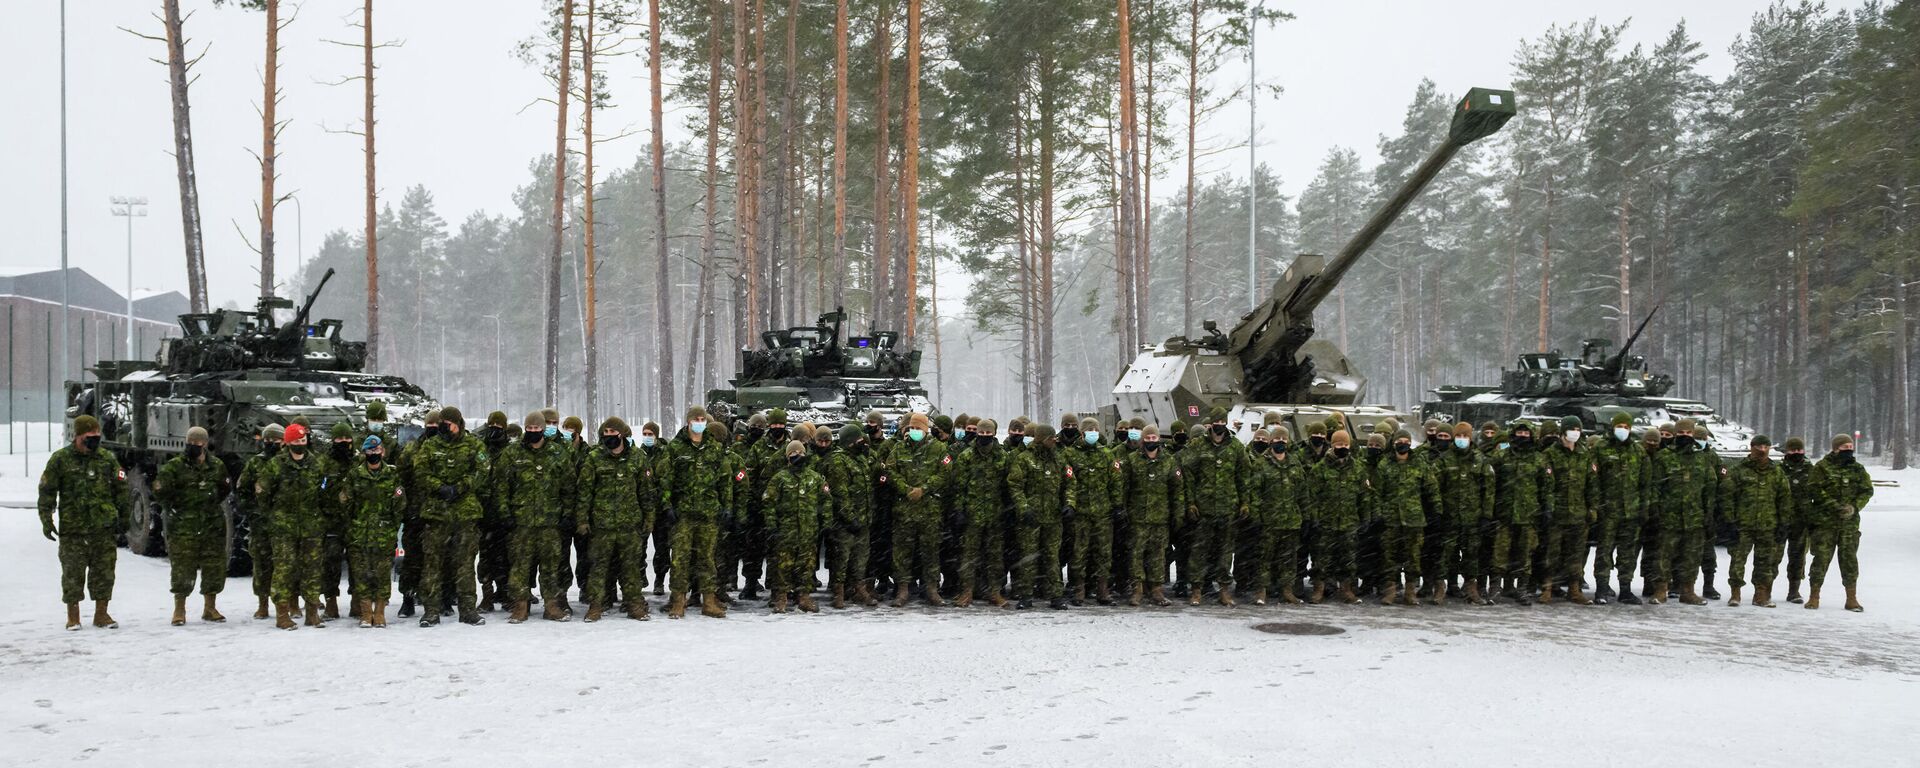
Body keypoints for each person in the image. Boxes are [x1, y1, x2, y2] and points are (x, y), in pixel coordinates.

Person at [39, 415, 130, 630]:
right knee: (72, 574)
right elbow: (47, 491)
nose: (94, 440)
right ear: (78, 436)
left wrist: (124, 518)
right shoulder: (60, 460)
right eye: (89, 437)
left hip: (103, 528)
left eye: (97, 436)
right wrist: (46, 518)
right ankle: (73, 616)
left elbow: (121, 489)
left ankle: (102, 614)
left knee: (104, 573)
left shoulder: (107, 459)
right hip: (73, 529)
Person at [412, 406, 491, 626]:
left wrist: (460, 487)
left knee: (465, 564)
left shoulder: (474, 445)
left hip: (465, 514)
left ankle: (467, 610)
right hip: (437, 513)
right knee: (432, 564)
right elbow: (420, 472)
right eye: (441, 424)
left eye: (447, 423)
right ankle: (431, 611)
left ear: (458, 424)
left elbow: (483, 470)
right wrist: (439, 487)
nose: (443, 428)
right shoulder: (430, 446)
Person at [498, 411, 574, 622]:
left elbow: (568, 487)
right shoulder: (512, 453)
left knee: (550, 567)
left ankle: (552, 606)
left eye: (536, 429)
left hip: (550, 522)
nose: (532, 432)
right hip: (521, 522)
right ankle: (520, 606)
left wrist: (568, 514)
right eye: (529, 429)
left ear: (543, 429)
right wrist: (505, 514)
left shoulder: (558, 453)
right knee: (519, 566)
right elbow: (502, 486)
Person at [576, 417, 652, 622]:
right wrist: (582, 520)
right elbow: (585, 493)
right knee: (598, 568)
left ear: (622, 434)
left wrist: (648, 518)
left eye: (613, 432)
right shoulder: (594, 458)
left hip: (630, 524)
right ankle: (595, 606)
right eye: (605, 433)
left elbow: (645, 491)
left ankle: (634, 605)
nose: (609, 436)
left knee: (631, 568)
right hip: (602, 525)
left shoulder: (637, 457)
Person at [662, 406, 735, 619]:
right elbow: (666, 479)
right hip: (683, 514)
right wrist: (667, 505)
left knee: (707, 559)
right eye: (696, 419)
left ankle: (709, 601)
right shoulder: (675, 448)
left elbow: (725, 480)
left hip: (709, 513)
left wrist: (726, 506)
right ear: (688, 422)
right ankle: (678, 601)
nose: (700, 422)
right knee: (680, 560)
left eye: (703, 419)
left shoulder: (714, 448)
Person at [154, 426, 231, 626]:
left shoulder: (216, 466)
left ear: (205, 444)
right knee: (182, 568)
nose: (194, 447)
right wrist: (179, 508)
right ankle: (179, 610)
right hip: (183, 526)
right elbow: (161, 493)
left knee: (214, 567)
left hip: (212, 525)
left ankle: (210, 607)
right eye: (190, 444)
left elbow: (224, 489)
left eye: (198, 444)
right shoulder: (174, 467)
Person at [257, 423, 329, 629]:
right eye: (296, 441)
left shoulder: (316, 464)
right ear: (287, 443)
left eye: (303, 440)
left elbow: (324, 491)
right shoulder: (275, 465)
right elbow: (263, 495)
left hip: (311, 526)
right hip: (283, 528)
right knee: (284, 569)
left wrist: (319, 516)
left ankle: (312, 612)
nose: (300, 444)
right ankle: (282, 613)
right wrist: (276, 516)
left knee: (312, 569)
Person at [885, 412, 952, 607]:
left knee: (930, 551)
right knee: (902, 552)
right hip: (904, 510)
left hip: (929, 510)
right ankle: (903, 590)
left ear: (925, 430)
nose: (914, 431)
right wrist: (906, 489)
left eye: (917, 428)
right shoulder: (898, 449)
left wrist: (924, 489)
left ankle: (932, 589)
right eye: (911, 428)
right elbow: (889, 471)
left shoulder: (939, 449)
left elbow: (945, 473)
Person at [1007, 423, 1074, 609]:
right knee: (1028, 557)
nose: (1054, 441)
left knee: (1052, 558)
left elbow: (1070, 484)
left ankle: (1056, 596)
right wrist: (1023, 508)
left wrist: (1069, 504)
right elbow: (1015, 486)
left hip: (1053, 518)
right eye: (1051, 438)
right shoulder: (1024, 460)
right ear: (1042, 439)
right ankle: (1025, 595)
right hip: (1030, 519)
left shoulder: (1059, 460)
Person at [340, 435, 405, 627]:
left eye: (377, 451)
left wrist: (391, 527)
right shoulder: (354, 475)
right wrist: (354, 525)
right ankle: (365, 612)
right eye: (370, 451)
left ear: (382, 452)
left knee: (382, 574)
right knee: (361, 574)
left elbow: (399, 505)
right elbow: (346, 504)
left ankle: (380, 613)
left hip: (384, 534)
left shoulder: (392, 475)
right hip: (359, 534)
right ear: (364, 453)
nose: (374, 454)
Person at [1721, 435, 1789, 607]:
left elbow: (1784, 499)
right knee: (1737, 560)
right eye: (1758, 446)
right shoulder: (1739, 471)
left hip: (1768, 525)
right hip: (1742, 524)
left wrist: (1783, 523)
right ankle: (1735, 593)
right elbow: (1728, 496)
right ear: (1751, 447)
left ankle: (1761, 594)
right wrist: (1729, 522)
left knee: (1765, 562)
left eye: (1766, 446)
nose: (1762, 450)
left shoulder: (1776, 472)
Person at [1806, 434, 1871, 612]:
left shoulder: (1857, 469)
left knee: (1849, 562)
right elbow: (1814, 489)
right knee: (1820, 560)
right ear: (1835, 449)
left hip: (1849, 525)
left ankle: (1851, 599)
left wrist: (1854, 507)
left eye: (1850, 446)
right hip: (1825, 523)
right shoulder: (1822, 467)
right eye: (1844, 447)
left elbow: (1867, 490)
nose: (1848, 450)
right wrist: (1834, 506)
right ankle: (1814, 596)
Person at [1373, 430, 1438, 606]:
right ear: (1393, 443)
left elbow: (1431, 489)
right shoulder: (1385, 464)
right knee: (1389, 556)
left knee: (1413, 557)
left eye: (1406, 441)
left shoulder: (1420, 463)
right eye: (1399, 441)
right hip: (1391, 518)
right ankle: (1390, 591)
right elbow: (1377, 493)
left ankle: (1410, 592)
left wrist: (1436, 512)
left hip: (1414, 518)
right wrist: (1377, 514)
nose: (1403, 444)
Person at [763, 440, 829, 613]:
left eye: (800, 453)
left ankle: (804, 597)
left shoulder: (815, 478)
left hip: (808, 531)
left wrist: (826, 523)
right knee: (783, 565)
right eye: (793, 454)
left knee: (806, 565)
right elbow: (768, 502)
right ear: (787, 457)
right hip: (786, 531)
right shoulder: (779, 478)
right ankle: (781, 598)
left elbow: (826, 501)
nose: (797, 456)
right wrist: (771, 524)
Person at [1591, 412, 1650, 605]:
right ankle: (1601, 588)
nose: (1622, 430)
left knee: (1628, 552)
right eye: (1619, 426)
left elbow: (1645, 483)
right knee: (1604, 551)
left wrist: (1643, 507)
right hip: (1608, 510)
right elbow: (1594, 480)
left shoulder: (1638, 451)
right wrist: (1597, 505)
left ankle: (1625, 589)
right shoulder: (1600, 448)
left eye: (1626, 426)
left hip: (1630, 510)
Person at [1491, 420, 1551, 606]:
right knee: (1500, 553)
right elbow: (1492, 484)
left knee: (1525, 554)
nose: (1522, 436)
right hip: (1505, 513)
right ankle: (1495, 587)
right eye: (1519, 433)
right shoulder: (1501, 456)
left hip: (1528, 515)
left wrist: (1547, 509)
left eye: (1526, 433)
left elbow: (1547, 488)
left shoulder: (1539, 459)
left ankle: (1522, 588)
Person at [952, 418, 1011, 608]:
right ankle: (966, 591)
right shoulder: (966, 456)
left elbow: (1008, 486)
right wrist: (959, 510)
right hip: (972, 514)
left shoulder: (1003, 457)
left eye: (988, 433)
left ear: (994, 434)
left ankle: (994, 592)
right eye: (982, 433)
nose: (984, 436)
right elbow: (959, 486)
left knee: (995, 556)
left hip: (995, 514)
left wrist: (1009, 510)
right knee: (968, 555)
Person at [1305, 429, 1368, 604]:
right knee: (1322, 559)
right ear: (1332, 446)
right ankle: (1319, 589)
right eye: (1339, 444)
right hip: (1327, 521)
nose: (1343, 447)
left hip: (1349, 521)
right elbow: (1312, 496)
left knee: (1348, 558)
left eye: (1346, 444)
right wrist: (1314, 517)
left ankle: (1346, 589)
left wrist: (1366, 517)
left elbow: (1364, 496)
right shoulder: (1320, 469)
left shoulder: (1357, 468)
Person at [1064, 416, 1121, 605]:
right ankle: (1079, 589)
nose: (1093, 434)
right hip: (1080, 513)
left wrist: (1117, 505)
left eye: (1096, 431)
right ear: (1082, 433)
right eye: (1090, 431)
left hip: (1103, 513)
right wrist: (1070, 504)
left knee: (1103, 553)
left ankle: (1102, 590)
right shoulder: (1071, 454)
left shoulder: (1106, 454)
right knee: (1078, 552)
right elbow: (1068, 483)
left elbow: (1115, 482)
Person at [1541, 415, 1597, 605]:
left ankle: (1574, 589)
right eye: (1572, 429)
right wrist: (1549, 508)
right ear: (1563, 432)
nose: (1575, 433)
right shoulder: (1551, 454)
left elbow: (1592, 484)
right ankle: (1547, 588)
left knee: (1576, 554)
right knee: (1552, 553)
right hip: (1558, 513)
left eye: (1578, 429)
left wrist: (1592, 507)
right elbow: (1548, 484)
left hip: (1579, 513)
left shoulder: (1585, 454)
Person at [822, 423, 877, 609]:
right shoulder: (838, 461)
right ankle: (839, 592)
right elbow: (840, 494)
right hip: (846, 523)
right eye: (859, 439)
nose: (863, 442)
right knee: (842, 558)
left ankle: (859, 589)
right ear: (850, 442)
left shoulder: (860, 459)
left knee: (861, 558)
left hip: (863, 519)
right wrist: (848, 517)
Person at [236, 424, 284, 619]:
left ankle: (286, 603)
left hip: (284, 524)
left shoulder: (288, 462)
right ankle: (263, 603)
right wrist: (254, 511)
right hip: (261, 523)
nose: (271, 444)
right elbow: (243, 490)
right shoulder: (255, 464)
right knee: (262, 565)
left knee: (285, 565)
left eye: (276, 440)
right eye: (268, 440)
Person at [1777, 437, 1815, 603]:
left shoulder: (1811, 470)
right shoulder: (1778, 469)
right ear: (1786, 452)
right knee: (1772, 557)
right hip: (1780, 519)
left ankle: (1794, 591)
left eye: (1799, 450)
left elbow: (1818, 493)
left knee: (1798, 558)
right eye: (1793, 450)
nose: (1796, 453)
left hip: (1802, 521)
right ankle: (1764, 589)